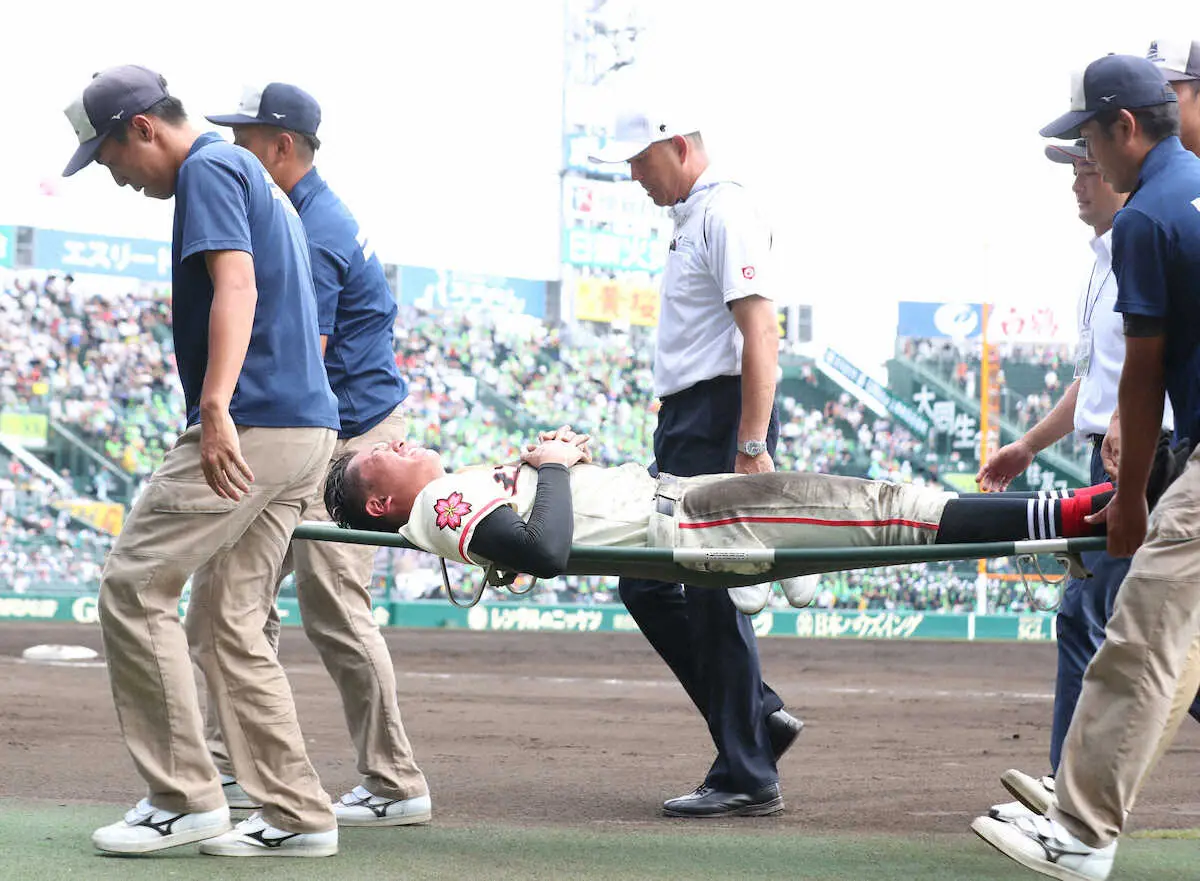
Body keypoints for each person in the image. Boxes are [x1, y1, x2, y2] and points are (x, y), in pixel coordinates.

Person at [62, 65, 341, 858]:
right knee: (228, 622)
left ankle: (184, 798)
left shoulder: (211, 168)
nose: (116, 179)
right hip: (305, 431)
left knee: (134, 582)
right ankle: (297, 812)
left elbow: (239, 286)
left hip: (254, 419)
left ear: (142, 128)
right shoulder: (251, 171)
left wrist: (215, 406)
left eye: (111, 159)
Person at [972, 54, 1200, 881]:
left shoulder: (1146, 219)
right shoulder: (1192, 191)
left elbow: (1143, 376)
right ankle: (1077, 808)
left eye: (1089, 141)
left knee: (1138, 635)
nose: (1085, 162)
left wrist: (1134, 493)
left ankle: (1079, 831)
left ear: (1126, 128)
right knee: (1158, 641)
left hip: (1183, 460)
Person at [201, 83, 430, 828]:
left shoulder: (314, 228)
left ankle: (396, 782)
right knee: (239, 589)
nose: (235, 149)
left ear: (283, 146)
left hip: (352, 435)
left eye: (245, 136)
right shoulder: (301, 214)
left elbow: (309, 352)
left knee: (332, 605)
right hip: (324, 423)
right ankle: (230, 763)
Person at [587, 104, 800, 818]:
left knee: (704, 589)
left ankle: (747, 767)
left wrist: (749, 443)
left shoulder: (724, 211)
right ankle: (756, 719)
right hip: (687, 418)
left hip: (716, 417)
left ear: (677, 146)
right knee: (649, 583)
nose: (635, 177)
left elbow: (760, 330)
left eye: (641, 162)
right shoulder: (693, 216)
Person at [321, 427, 1126, 583]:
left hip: (685, 505)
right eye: (380, 457)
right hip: (694, 518)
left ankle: (1074, 514)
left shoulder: (446, 488)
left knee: (886, 507)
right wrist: (557, 467)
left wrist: (553, 463)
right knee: (893, 510)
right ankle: (1076, 514)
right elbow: (543, 553)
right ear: (385, 500)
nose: (397, 441)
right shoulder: (437, 503)